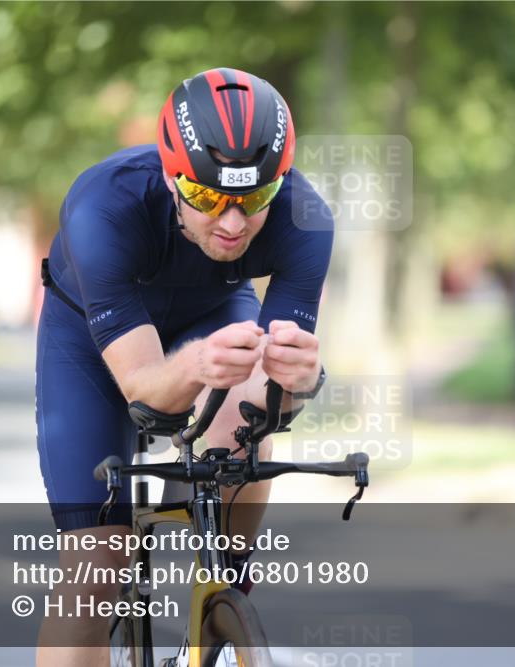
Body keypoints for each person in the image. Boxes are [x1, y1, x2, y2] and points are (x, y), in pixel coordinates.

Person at [34, 67, 333, 667]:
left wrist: (298, 383)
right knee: (96, 570)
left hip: (213, 310)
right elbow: (147, 395)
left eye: (255, 199)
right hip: (89, 340)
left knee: (247, 431)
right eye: (207, 198)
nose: (232, 223)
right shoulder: (103, 208)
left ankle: (225, 589)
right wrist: (197, 363)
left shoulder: (306, 219)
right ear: (173, 178)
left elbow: (273, 397)